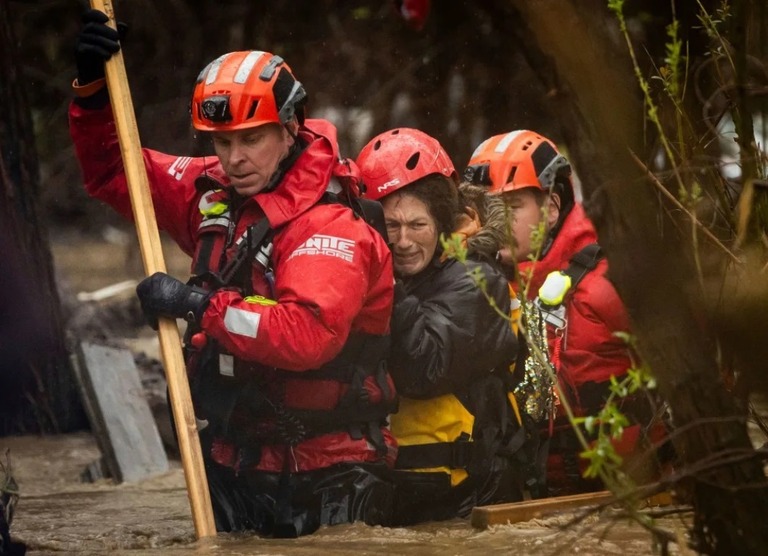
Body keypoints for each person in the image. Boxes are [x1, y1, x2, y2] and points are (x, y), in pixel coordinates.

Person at [69, 10, 398, 537]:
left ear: (290, 127)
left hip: (329, 474)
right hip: (233, 463)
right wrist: (91, 92)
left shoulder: (333, 226)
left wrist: (198, 306)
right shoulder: (213, 192)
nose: (235, 159)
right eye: (222, 143)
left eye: (251, 140)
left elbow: (307, 335)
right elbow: (115, 169)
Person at [464, 130, 666, 495]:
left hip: (632, 492)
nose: (494, 224)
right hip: (537, 499)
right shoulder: (476, 284)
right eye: (485, 211)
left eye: (510, 209)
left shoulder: (609, 281)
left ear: (552, 208)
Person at [356, 128, 526, 525]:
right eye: (390, 226)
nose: (401, 241)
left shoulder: (478, 281)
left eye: (417, 225)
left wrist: (383, 280)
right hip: (399, 496)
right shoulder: (380, 277)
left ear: (443, 222)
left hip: (467, 502)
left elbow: (424, 367)